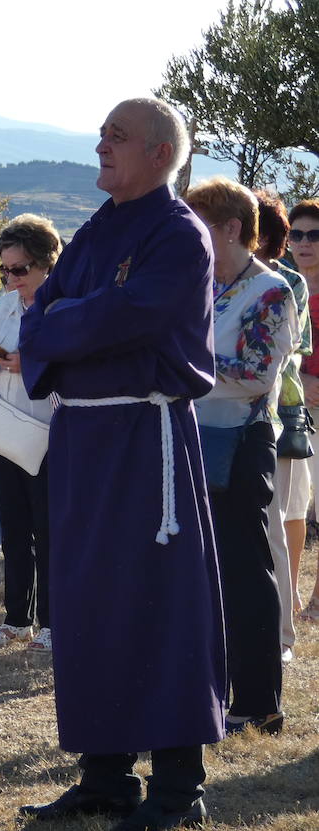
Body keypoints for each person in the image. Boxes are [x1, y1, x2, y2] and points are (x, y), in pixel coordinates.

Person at [18, 98, 224, 831]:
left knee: (159, 606)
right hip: (83, 444)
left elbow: (125, 315)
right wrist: (77, 320)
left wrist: (73, 321)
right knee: (87, 602)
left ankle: (178, 787)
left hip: (146, 442)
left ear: (161, 153)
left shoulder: (180, 236)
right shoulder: (97, 229)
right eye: (102, 132)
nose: (100, 144)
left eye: (117, 135)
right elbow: (40, 316)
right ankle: (105, 776)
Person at [185, 177, 293, 734]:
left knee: (245, 573)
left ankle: (259, 701)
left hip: (240, 445)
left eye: (200, 226)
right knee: (205, 577)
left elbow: (254, 377)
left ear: (232, 229)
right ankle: (213, 694)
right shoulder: (204, 285)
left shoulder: (270, 292)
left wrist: (181, 364)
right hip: (191, 440)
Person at [0, 215, 61, 654]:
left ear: (47, 263)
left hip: (46, 428)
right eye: (4, 270)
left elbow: (75, 367)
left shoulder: (64, 305)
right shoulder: (5, 303)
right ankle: (16, 619)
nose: (10, 278)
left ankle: (52, 622)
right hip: (3, 424)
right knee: (12, 527)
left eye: (19, 269)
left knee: (47, 529)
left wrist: (32, 364)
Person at [251, 189, 310, 662]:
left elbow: (288, 354)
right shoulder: (218, 281)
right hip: (243, 420)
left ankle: (282, 635)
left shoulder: (287, 283)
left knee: (280, 523)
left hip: (277, 417)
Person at [290, 199, 319, 619]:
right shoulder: (279, 285)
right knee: (292, 506)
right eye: (296, 234)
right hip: (291, 411)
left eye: (314, 235)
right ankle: (290, 592)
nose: (303, 243)